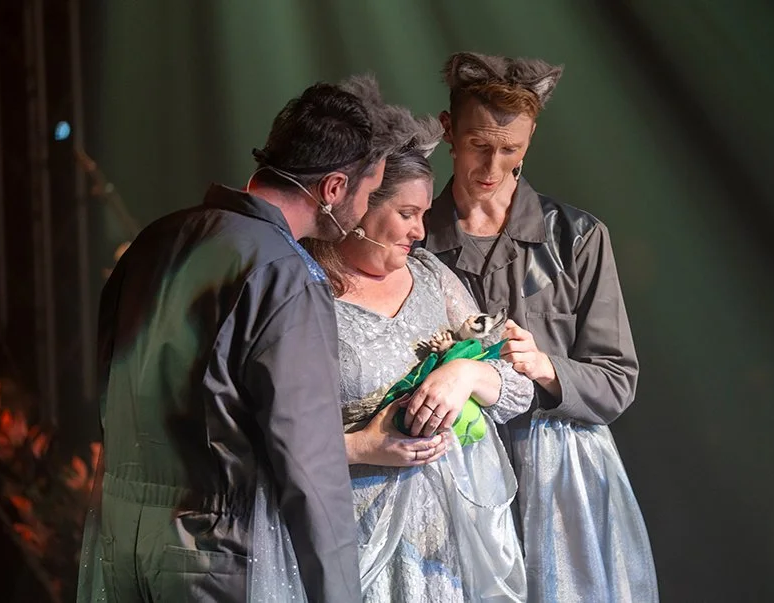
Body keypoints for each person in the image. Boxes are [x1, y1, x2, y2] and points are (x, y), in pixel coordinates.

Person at [78, 80, 400, 603]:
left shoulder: (153, 240)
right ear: (334, 188)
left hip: (117, 538)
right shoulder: (286, 274)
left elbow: (108, 381)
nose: (364, 212)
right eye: (368, 194)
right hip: (213, 552)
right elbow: (309, 462)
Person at [422, 51, 660, 602]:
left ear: (530, 140)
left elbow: (616, 382)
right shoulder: (413, 239)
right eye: (479, 145)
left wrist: (546, 367)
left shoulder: (576, 237)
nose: (493, 166)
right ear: (448, 130)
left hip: (558, 484)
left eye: (511, 150)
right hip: (450, 478)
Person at [303, 76, 532, 602]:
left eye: (424, 215)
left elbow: (517, 387)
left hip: (443, 543)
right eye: (407, 214)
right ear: (359, 206)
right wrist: (362, 446)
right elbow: (272, 434)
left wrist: (465, 373)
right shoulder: (305, 290)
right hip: (351, 534)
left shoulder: (430, 276)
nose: (419, 232)